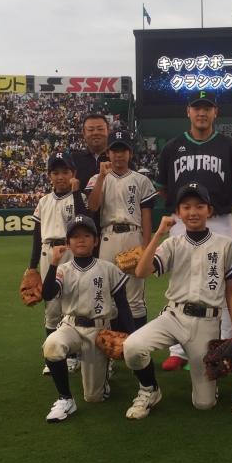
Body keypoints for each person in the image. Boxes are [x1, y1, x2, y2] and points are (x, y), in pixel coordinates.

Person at [123, 182, 232, 419]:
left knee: (204, 404)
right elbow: (141, 271)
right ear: (178, 213)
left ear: (209, 211)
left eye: (199, 206)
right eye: (186, 207)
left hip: (207, 322)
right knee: (132, 347)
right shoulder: (171, 243)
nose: (193, 212)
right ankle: (149, 389)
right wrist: (158, 233)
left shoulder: (226, 244)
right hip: (173, 316)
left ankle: (209, 388)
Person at [153, 90, 232, 371]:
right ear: (188, 112)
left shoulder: (229, 146)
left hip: (219, 218)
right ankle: (178, 349)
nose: (202, 112)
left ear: (215, 113)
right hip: (182, 220)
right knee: (180, 279)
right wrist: (180, 210)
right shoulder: (172, 147)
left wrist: (228, 203)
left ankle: (225, 344)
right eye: (197, 107)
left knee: (223, 283)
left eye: (207, 108)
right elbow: (162, 187)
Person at [41, 215, 134, 422]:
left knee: (94, 397)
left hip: (98, 332)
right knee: (52, 345)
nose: (80, 239)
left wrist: (134, 336)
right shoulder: (63, 270)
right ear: (67, 243)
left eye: (86, 235)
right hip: (71, 327)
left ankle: (103, 376)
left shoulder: (109, 268)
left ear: (96, 240)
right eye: (75, 236)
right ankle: (65, 398)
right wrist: (54, 263)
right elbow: (47, 294)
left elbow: (123, 306)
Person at [86, 130, 157, 330]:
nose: (119, 155)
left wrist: (145, 247)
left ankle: (138, 346)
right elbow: (92, 206)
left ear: (130, 153)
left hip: (133, 235)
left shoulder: (141, 180)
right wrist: (101, 177)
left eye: (123, 150)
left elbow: (146, 217)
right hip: (107, 235)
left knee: (134, 296)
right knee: (106, 293)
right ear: (108, 153)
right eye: (115, 150)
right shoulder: (97, 178)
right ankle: (110, 347)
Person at [28, 153, 88, 375]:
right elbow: (36, 237)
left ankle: (74, 355)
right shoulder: (43, 201)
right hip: (47, 253)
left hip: (72, 251)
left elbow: (85, 222)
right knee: (52, 308)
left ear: (74, 174)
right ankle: (53, 357)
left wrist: (76, 193)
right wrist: (32, 267)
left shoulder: (78, 197)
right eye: (56, 173)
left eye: (65, 172)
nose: (61, 177)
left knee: (73, 305)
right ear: (49, 176)